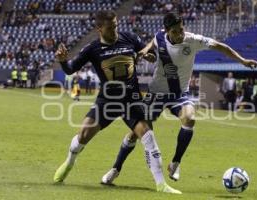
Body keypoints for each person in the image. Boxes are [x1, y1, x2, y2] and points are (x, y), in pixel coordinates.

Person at [101, 12, 257, 185]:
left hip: (179, 94)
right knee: (135, 133)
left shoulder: (193, 40)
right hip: (156, 93)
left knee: (190, 118)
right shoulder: (160, 37)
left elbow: (221, 46)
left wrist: (242, 61)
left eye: (182, 29)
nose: (180, 34)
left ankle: (175, 163)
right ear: (167, 31)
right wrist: (146, 50)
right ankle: (115, 169)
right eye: (176, 31)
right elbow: (153, 42)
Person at [54, 10, 181, 194]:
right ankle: (69, 162)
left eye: (116, 25)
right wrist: (64, 61)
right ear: (99, 28)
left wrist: (149, 55)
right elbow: (70, 69)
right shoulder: (92, 49)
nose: (115, 30)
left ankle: (161, 185)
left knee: (148, 136)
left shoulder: (128, 38)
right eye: (110, 27)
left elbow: (147, 50)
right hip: (108, 100)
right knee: (82, 136)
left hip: (132, 99)